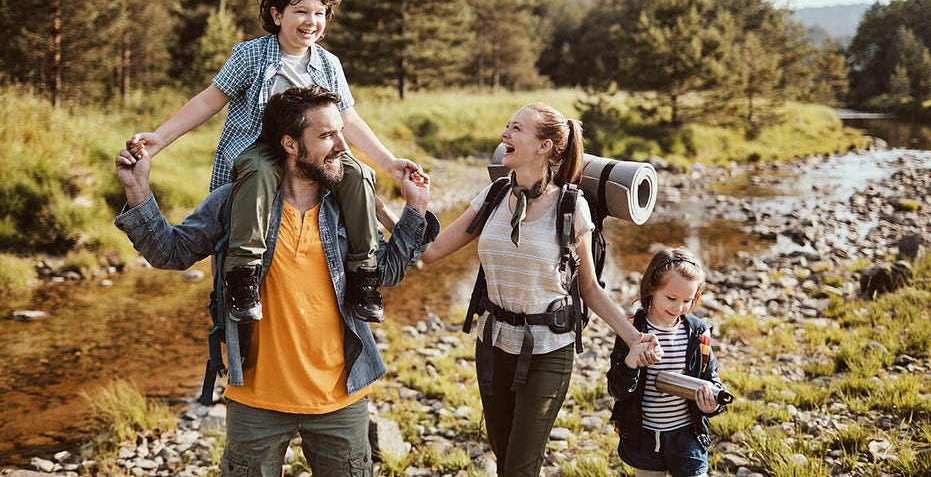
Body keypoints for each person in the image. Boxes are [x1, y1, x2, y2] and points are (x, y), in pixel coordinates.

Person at [114, 85, 439, 476]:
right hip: (256, 403)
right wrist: (138, 190)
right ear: (290, 143)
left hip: (341, 400)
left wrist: (416, 208)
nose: (342, 145)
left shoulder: (347, 205)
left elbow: (385, 271)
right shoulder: (236, 202)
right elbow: (171, 252)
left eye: (340, 132)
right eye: (326, 135)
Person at [126, 0, 416, 325]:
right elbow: (208, 100)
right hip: (259, 148)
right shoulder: (251, 56)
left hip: (314, 155)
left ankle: (363, 274)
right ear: (277, 14)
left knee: (357, 173)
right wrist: (160, 138)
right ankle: (243, 273)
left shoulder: (329, 64)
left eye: (320, 12)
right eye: (301, 11)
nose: (311, 21)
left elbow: (349, 119)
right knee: (262, 168)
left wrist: (388, 162)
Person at [418, 103, 662, 476]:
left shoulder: (571, 206)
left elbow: (590, 289)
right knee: (505, 460)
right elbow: (432, 251)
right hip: (493, 344)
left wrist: (634, 337)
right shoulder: (494, 196)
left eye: (516, 128)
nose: (505, 135)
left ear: (544, 146)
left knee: (520, 468)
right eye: (507, 126)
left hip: (548, 351)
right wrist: (390, 207)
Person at [607, 247, 728, 477]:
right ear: (651, 288)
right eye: (671, 298)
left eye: (687, 300)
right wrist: (631, 361)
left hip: (687, 435)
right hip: (644, 437)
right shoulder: (632, 330)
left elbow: (712, 380)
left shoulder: (697, 333)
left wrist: (713, 405)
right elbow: (616, 389)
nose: (678, 307)